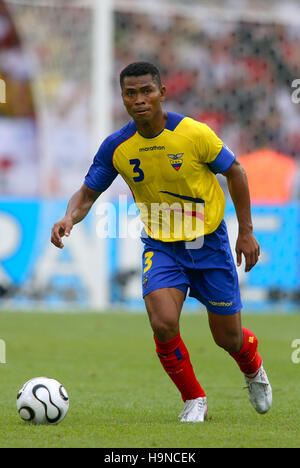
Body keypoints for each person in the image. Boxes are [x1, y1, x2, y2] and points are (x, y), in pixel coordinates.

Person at [51, 61, 272, 422]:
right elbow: (87, 194)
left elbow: (236, 171)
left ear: (162, 92)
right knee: (163, 322)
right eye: (130, 93)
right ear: (122, 98)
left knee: (228, 339)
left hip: (209, 244)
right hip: (162, 245)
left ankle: (253, 369)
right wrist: (67, 217)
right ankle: (193, 398)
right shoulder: (118, 146)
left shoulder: (193, 134)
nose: (139, 99)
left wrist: (245, 231)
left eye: (146, 91)